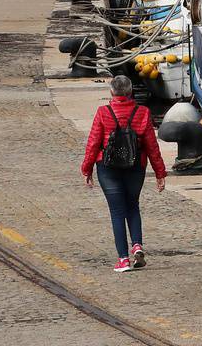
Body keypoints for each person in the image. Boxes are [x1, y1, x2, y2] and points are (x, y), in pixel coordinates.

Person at [81, 74, 167, 273]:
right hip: (136, 165)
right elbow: (152, 146)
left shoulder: (103, 112)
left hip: (107, 167)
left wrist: (87, 169)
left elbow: (94, 143)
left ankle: (123, 259)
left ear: (112, 92)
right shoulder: (142, 112)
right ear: (130, 92)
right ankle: (137, 245)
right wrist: (160, 172)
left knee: (117, 212)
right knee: (133, 206)